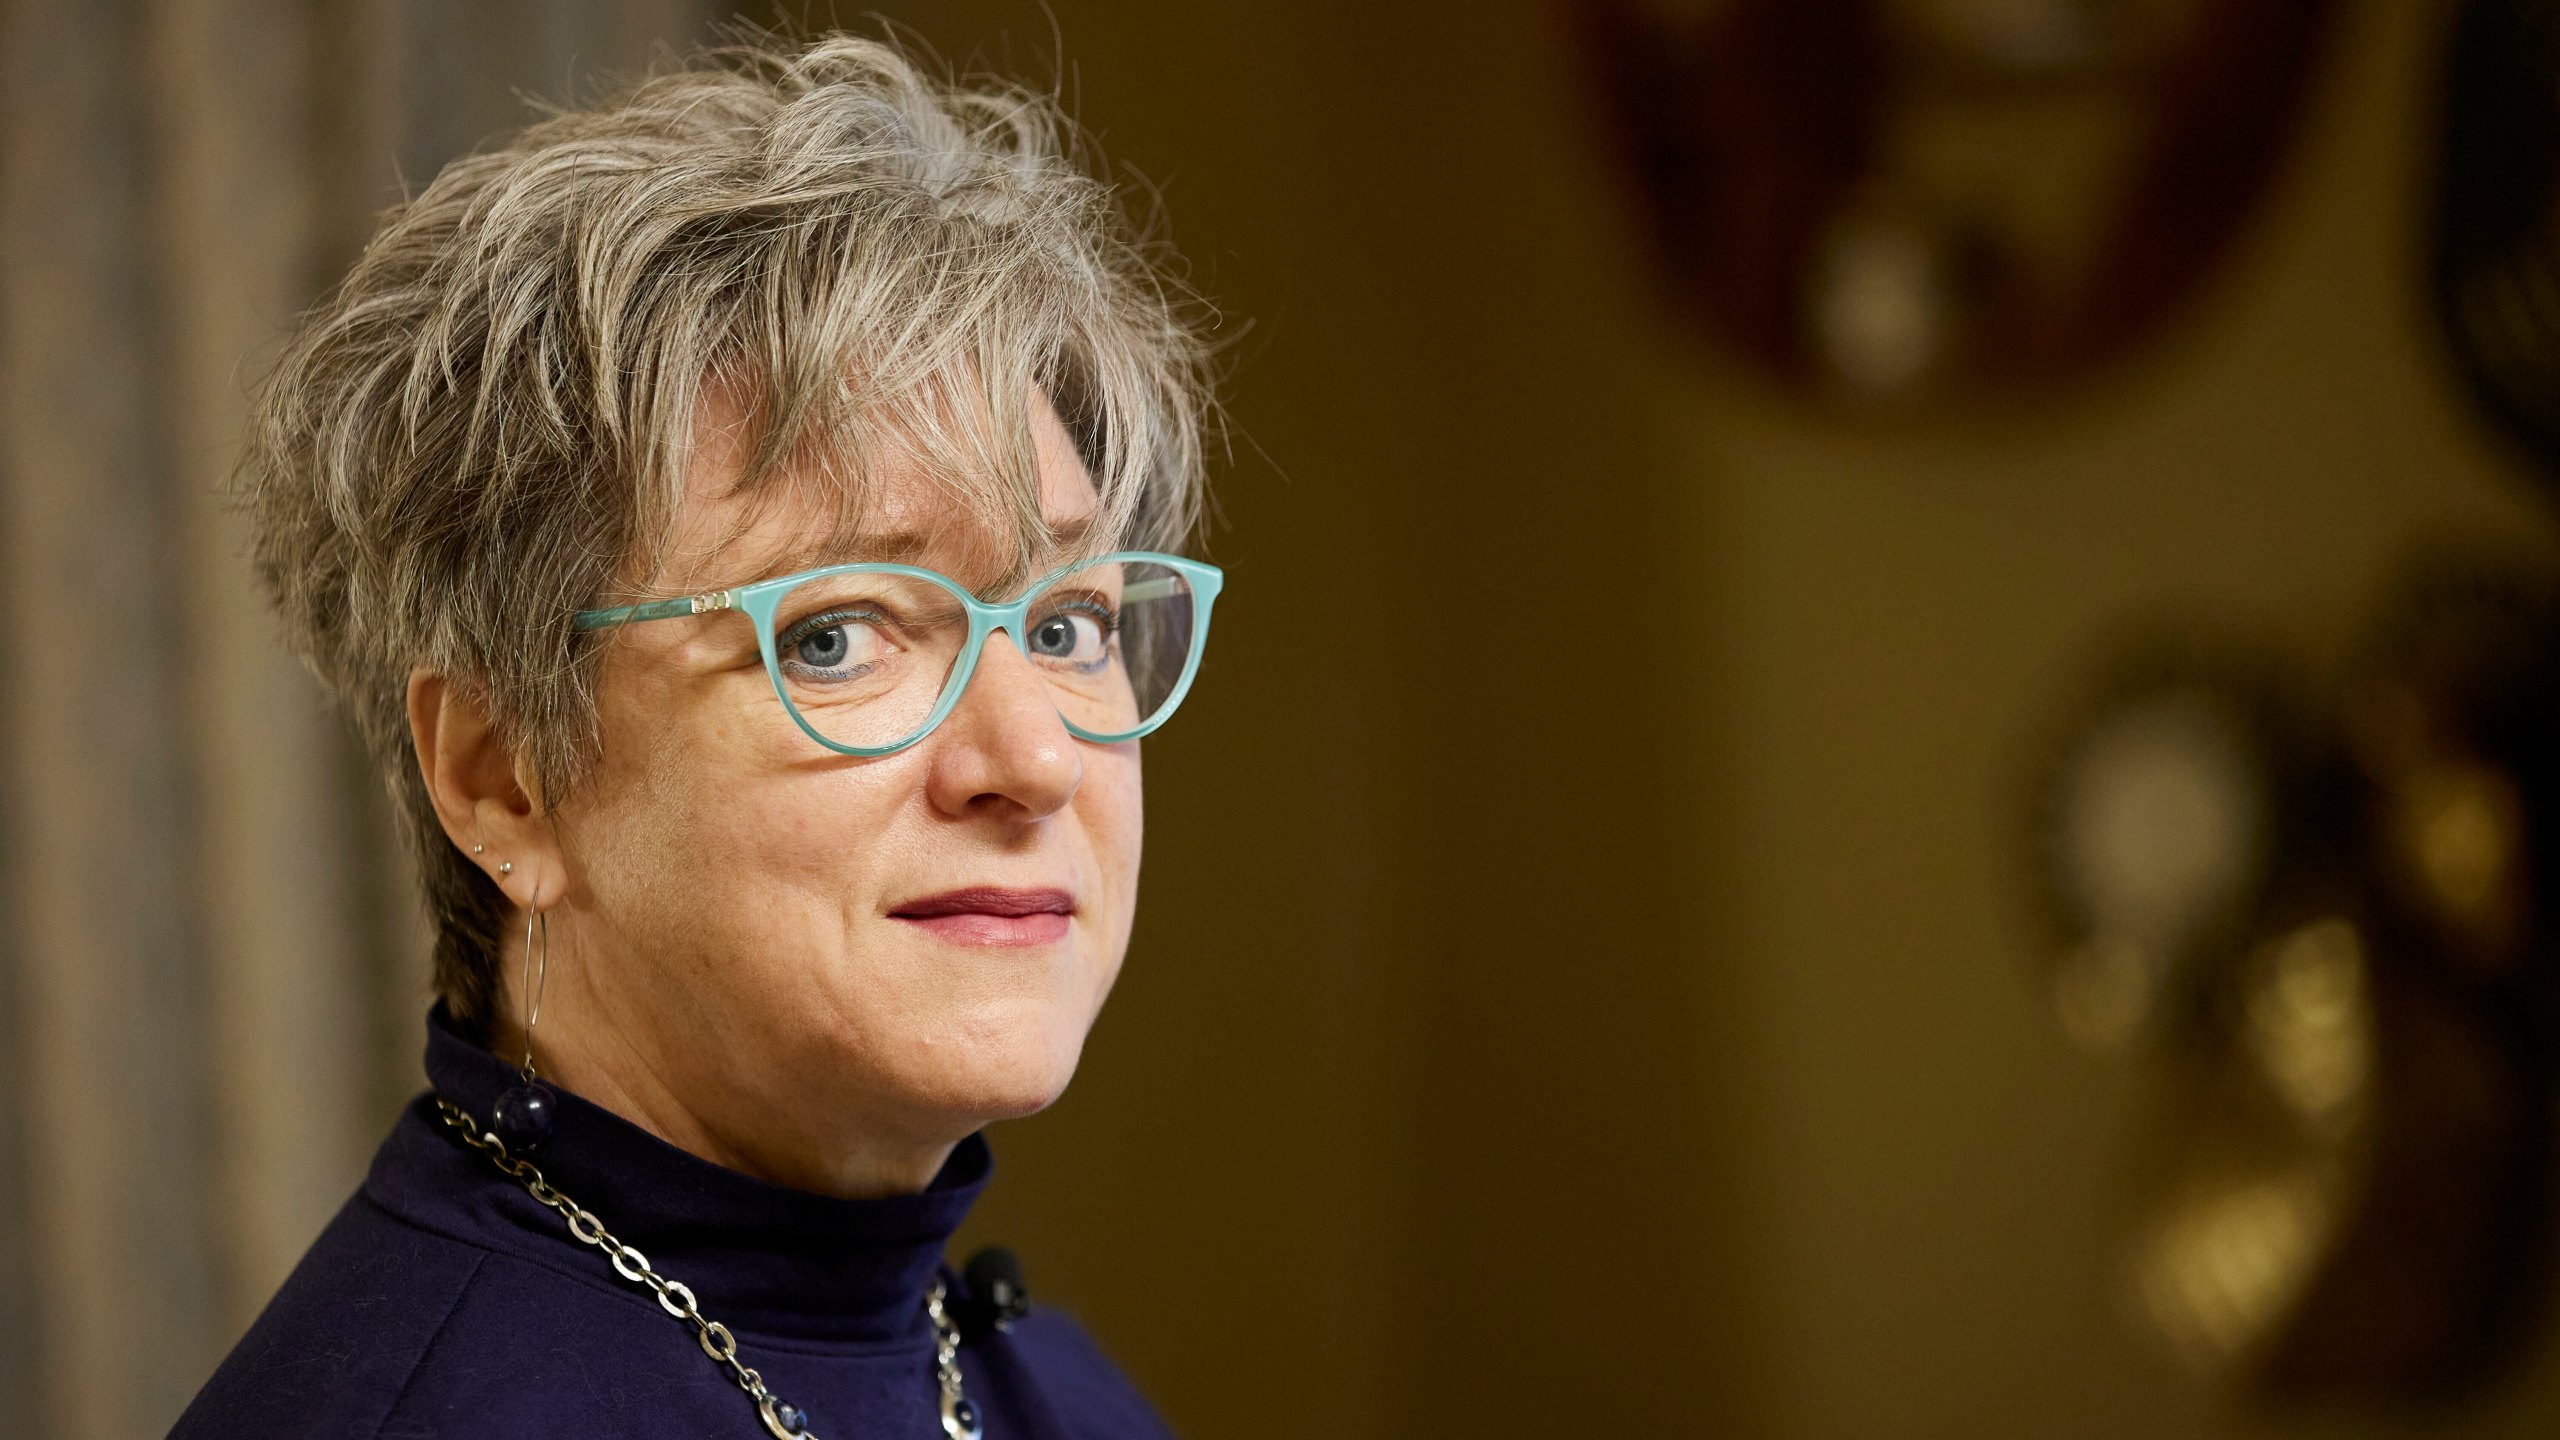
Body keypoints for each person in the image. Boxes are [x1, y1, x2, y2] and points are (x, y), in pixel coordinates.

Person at [170, 30, 1219, 1440]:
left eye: (1065, 624)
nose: (1031, 763)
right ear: (504, 777)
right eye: (838, 634)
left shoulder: (1063, 1399)